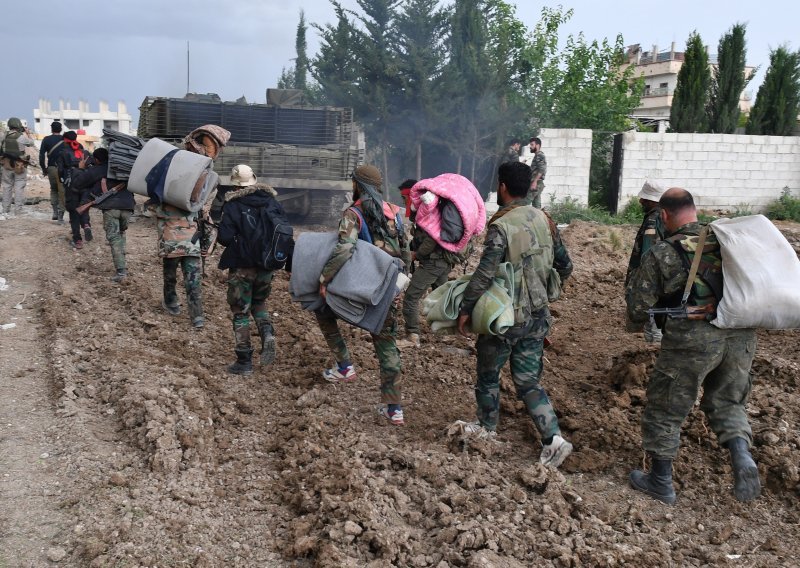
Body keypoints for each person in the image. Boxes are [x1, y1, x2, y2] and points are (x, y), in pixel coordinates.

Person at [625, 187, 761, 505]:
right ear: (694, 210)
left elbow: (637, 307)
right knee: (728, 402)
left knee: (666, 406)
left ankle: (660, 481)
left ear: (664, 215)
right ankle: (742, 458)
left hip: (694, 338)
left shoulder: (663, 252)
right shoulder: (726, 241)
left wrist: (639, 323)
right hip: (741, 334)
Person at [456, 161, 574, 467]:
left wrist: (466, 308)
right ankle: (553, 439)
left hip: (505, 318)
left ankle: (486, 428)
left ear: (503, 187)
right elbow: (566, 266)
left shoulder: (502, 226)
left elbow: (484, 274)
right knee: (528, 382)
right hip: (538, 316)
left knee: (488, 373)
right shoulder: (545, 219)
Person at [315, 164, 410, 425]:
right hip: (389, 288)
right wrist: (401, 285)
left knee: (322, 309)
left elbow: (345, 248)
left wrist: (325, 279)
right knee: (387, 344)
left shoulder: (353, 213)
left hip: (362, 287)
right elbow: (407, 252)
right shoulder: (395, 214)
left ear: (357, 184)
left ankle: (344, 366)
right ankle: (394, 409)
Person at [217, 165, 291, 375]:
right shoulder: (272, 202)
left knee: (240, 311)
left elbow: (224, 237)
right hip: (267, 266)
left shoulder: (233, 204)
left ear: (234, 183)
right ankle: (267, 333)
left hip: (242, 266)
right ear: (254, 181)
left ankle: (244, 361)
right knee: (259, 302)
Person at [72, 148, 135, 282]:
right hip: (128, 207)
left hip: (111, 208)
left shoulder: (97, 170)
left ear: (97, 160)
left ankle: (121, 272)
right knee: (121, 235)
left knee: (114, 238)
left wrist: (81, 169)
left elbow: (77, 183)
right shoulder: (123, 168)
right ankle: (122, 263)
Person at [399, 218, 462, 348]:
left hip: (433, 263)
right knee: (441, 298)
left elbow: (431, 239)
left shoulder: (429, 214)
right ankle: (446, 333)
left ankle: (412, 335)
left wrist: (417, 254)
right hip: (444, 261)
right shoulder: (439, 213)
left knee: (411, 297)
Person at [149, 200, 205, 329]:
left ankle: (171, 303)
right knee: (193, 281)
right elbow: (207, 221)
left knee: (170, 277)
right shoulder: (196, 202)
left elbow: (149, 209)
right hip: (192, 245)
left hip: (171, 245)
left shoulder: (165, 202)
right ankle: (197, 317)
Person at [625, 179, 668, 343]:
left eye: (645, 199)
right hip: (660, 279)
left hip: (650, 280)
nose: (641, 201)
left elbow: (648, 254)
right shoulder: (663, 217)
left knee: (653, 325)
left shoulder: (653, 220)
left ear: (652, 200)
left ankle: (654, 354)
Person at [55, 131, 92, 248]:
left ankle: (78, 240)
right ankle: (86, 225)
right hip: (85, 182)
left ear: (65, 140)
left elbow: (60, 170)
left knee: (73, 210)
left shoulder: (63, 153)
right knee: (84, 206)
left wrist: (62, 179)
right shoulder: (84, 152)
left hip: (71, 183)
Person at [0, 117, 35, 216]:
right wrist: (28, 133)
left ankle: (5, 209)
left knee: (7, 187)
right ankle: (18, 210)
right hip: (19, 166)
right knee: (19, 187)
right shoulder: (21, 137)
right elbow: (32, 143)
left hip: (6, 164)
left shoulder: (4, 136)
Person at [39, 121, 66, 221]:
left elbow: (41, 156)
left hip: (51, 168)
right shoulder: (65, 140)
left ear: (51, 129)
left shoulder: (46, 139)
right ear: (61, 129)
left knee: (54, 189)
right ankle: (60, 216)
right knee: (62, 191)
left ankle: (54, 212)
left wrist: (44, 168)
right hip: (62, 169)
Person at [527, 137, 547, 208]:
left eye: (532, 145)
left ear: (537, 145)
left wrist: (534, 182)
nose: (530, 147)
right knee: (536, 207)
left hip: (536, 183)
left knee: (523, 202)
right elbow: (536, 169)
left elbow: (541, 169)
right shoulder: (537, 155)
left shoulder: (539, 155)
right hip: (537, 183)